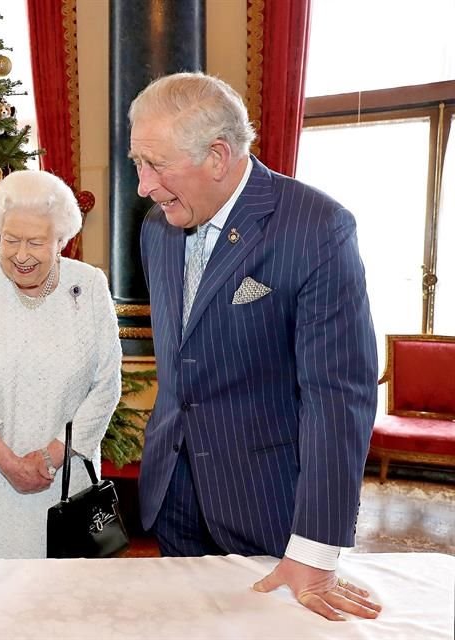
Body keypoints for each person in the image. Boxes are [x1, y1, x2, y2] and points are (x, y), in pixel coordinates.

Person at [129, 72, 381, 620]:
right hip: (173, 492)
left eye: (155, 165)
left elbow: (338, 396)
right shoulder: (156, 228)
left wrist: (316, 548)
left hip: (267, 506)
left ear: (218, 156)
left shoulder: (317, 228)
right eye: (137, 163)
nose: (143, 186)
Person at [0, 170, 122, 558]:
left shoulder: (89, 286)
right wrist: (7, 461)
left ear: (61, 241)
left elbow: (106, 385)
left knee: (68, 589)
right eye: (11, 240)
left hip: (68, 484)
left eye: (36, 242)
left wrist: (50, 456)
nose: (21, 255)